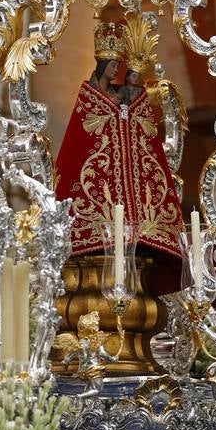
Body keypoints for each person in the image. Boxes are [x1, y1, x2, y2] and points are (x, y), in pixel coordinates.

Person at [55, 18, 184, 277]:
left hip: (137, 234)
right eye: (113, 65)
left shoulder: (127, 96)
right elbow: (79, 149)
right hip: (98, 238)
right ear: (102, 65)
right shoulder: (90, 99)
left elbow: (142, 136)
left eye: (118, 66)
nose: (116, 71)